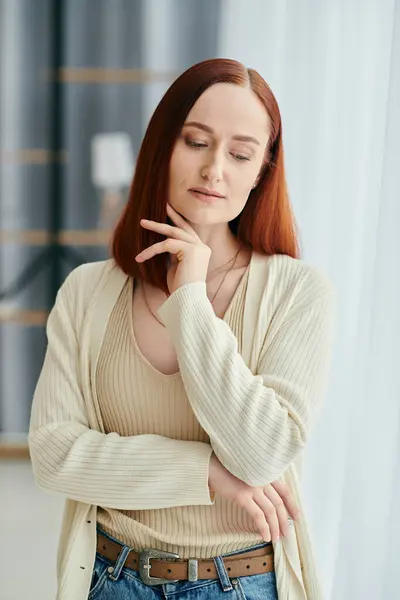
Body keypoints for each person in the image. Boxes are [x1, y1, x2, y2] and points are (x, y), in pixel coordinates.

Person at [29, 58, 336, 600]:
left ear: (262, 170)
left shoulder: (298, 292)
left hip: (243, 583)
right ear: (162, 147)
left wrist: (190, 298)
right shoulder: (85, 291)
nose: (215, 168)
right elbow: (55, 455)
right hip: (112, 579)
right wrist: (206, 472)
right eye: (196, 142)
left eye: (240, 154)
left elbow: (263, 453)